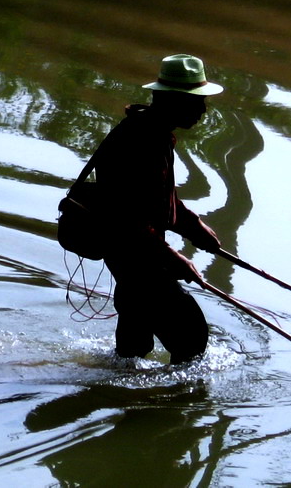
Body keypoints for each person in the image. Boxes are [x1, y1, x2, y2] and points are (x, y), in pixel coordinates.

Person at [94, 54, 223, 364]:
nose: (203, 109)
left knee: (134, 347)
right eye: (197, 101)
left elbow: (156, 199)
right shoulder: (144, 139)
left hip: (128, 249)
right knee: (191, 336)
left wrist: (194, 228)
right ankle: (167, 405)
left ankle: (118, 394)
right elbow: (129, 216)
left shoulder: (151, 131)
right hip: (132, 251)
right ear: (172, 99)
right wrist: (173, 258)